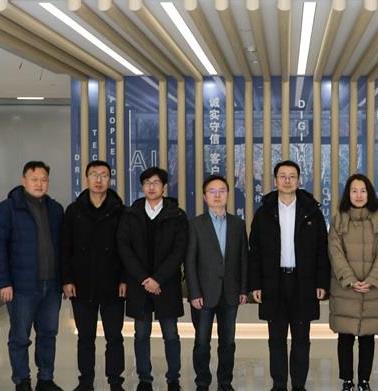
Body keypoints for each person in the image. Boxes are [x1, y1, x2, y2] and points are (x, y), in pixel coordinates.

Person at [248, 159, 330, 391]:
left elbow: (321, 251)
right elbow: (255, 252)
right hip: (273, 282)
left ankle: (299, 385)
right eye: (282, 176)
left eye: (292, 176)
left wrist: (322, 282)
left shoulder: (311, 212)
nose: (287, 180)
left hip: (303, 282)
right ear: (275, 181)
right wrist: (255, 284)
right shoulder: (264, 213)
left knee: (301, 338)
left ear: (299, 180)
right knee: (276, 338)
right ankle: (279, 384)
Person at [0, 161, 65, 391]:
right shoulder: (8, 208)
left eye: (44, 180)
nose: (39, 184)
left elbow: (63, 247)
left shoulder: (55, 209)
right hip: (21, 287)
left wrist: (65, 280)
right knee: (20, 337)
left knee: (48, 334)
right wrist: (3, 282)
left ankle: (46, 379)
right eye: (34, 179)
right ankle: (22, 381)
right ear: (24, 181)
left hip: (51, 286)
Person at [117, 167, 188, 391]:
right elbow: (124, 248)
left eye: (156, 182)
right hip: (139, 285)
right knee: (141, 334)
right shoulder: (131, 214)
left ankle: (173, 378)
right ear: (142, 186)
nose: (151, 186)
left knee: (171, 334)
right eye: (147, 182)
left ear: (164, 187)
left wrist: (157, 279)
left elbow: (179, 251)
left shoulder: (177, 215)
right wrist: (145, 279)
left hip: (166, 285)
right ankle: (144, 379)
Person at [61, 160, 127, 391]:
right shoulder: (73, 211)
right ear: (86, 178)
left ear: (110, 179)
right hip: (82, 284)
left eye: (104, 175)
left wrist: (125, 279)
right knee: (85, 337)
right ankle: (86, 381)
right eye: (94, 175)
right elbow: (65, 248)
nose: (99, 180)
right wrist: (67, 280)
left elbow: (127, 249)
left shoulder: (120, 211)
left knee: (114, 337)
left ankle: (115, 381)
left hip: (113, 283)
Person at [327, 174, 378, 391]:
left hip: (372, 288)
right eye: (354, 191)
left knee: (367, 337)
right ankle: (347, 380)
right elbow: (335, 251)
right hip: (346, 288)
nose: (358, 195)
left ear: (369, 193)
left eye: (363, 190)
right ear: (348, 194)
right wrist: (350, 279)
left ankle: (364, 380)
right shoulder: (339, 218)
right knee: (345, 337)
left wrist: (372, 279)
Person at [185, 175, 249, 391]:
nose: (218, 195)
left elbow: (243, 259)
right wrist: (194, 292)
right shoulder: (195, 225)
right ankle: (202, 381)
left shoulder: (238, 224)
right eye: (212, 191)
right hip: (203, 294)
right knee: (202, 342)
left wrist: (243, 289)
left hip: (230, 292)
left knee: (228, 342)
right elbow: (189, 262)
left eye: (222, 191)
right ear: (205, 197)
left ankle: (225, 381)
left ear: (228, 194)